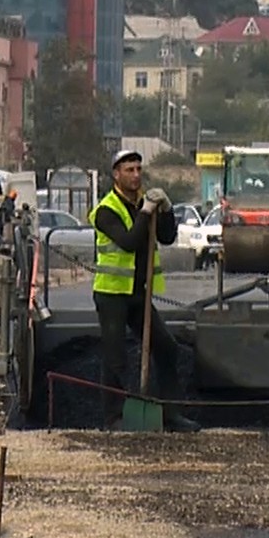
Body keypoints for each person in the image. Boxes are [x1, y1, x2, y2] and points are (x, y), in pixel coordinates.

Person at [91, 149, 199, 432]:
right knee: (115, 357)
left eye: (139, 169)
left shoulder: (144, 203)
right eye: (129, 170)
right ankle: (113, 418)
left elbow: (166, 236)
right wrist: (145, 212)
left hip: (138, 292)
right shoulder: (105, 210)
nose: (136, 175)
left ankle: (170, 414)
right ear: (116, 174)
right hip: (111, 293)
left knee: (167, 348)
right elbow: (129, 241)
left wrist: (165, 210)